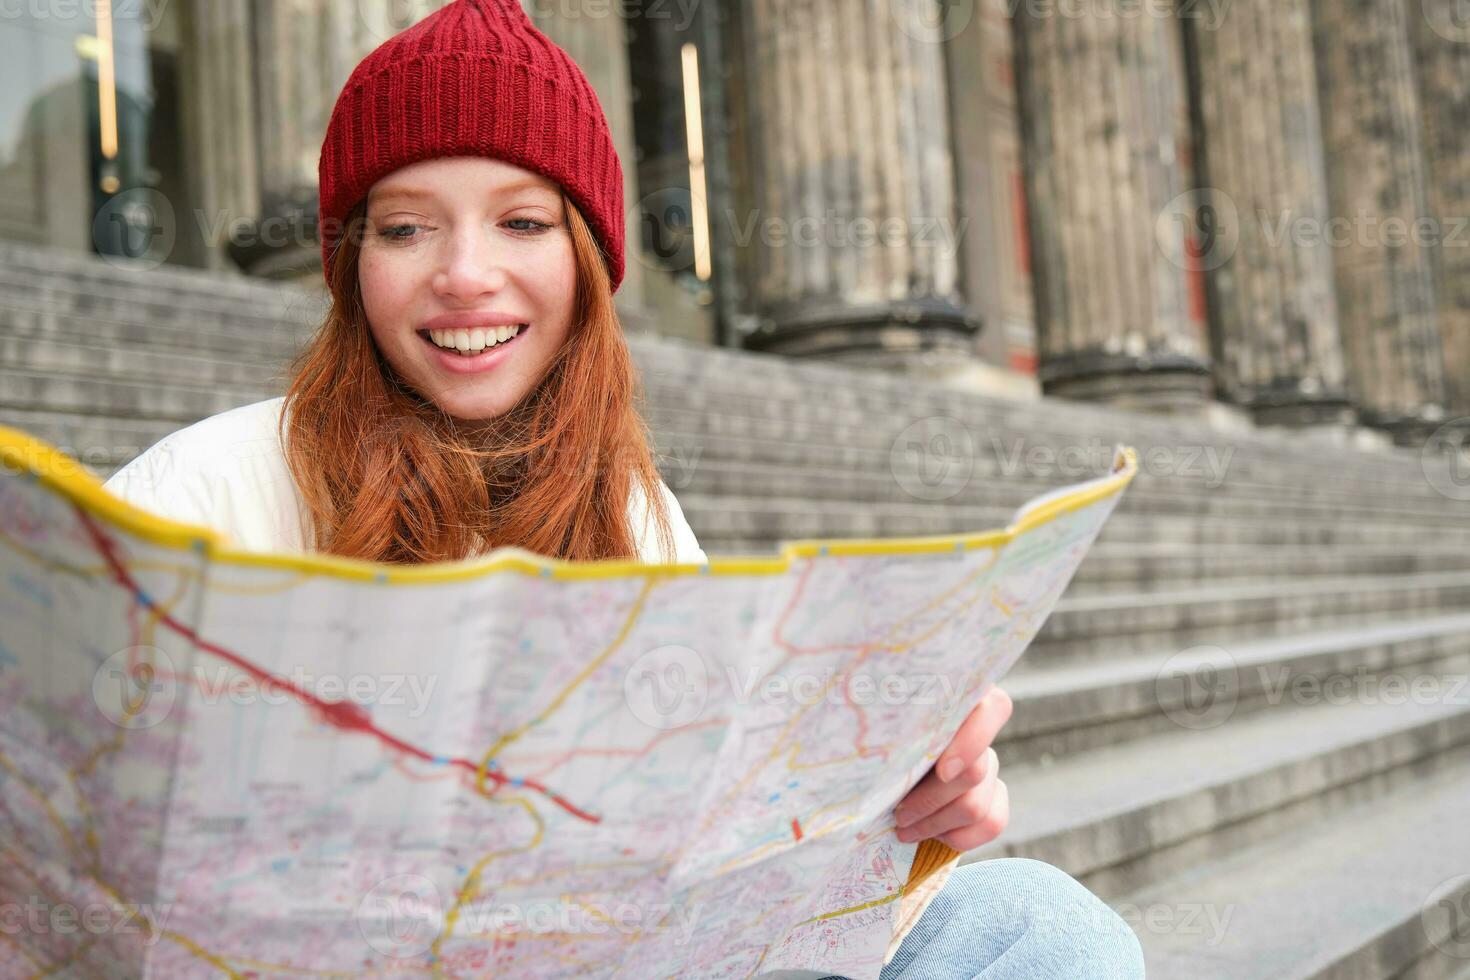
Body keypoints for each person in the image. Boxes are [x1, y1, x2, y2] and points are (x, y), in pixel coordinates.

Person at [101, 1, 1144, 975]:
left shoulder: (632, 508)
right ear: (352, 263)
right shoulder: (193, 491)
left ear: (591, 260)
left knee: (1042, 926)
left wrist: (895, 806)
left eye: (521, 222)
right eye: (406, 226)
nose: (464, 273)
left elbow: (711, 851)